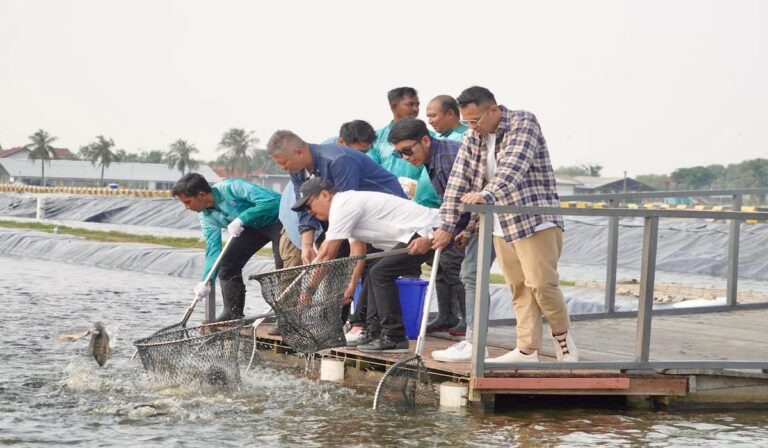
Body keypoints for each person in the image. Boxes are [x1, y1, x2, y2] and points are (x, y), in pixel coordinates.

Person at [431, 86, 578, 364]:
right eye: (466, 122)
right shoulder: (474, 138)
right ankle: (526, 350)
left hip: (534, 219)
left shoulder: (524, 123)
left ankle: (563, 340)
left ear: (494, 111)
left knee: (542, 285)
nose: (472, 127)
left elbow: (512, 168)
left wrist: (485, 195)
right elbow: (458, 180)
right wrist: (447, 225)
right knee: (519, 288)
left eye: (475, 120)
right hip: (498, 223)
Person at [267, 130, 409, 335]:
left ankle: (368, 327)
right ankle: (334, 323)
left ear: (298, 152)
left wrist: (309, 289)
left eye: (283, 162)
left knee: (370, 266)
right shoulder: (297, 170)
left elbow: (345, 206)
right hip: (354, 218)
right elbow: (305, 208)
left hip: (383, 215)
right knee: (336, 264)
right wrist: (306, 245)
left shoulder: (338, 161)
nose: (281, 167)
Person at [294, 177, 441, 353]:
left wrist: (308, 292)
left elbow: (326, 254)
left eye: (309, 205)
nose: (309, 211)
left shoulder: (342, 205)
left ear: (325, 195)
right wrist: (351, 285)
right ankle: (373, 332)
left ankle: (394, 337)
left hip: (428, 230)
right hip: (411, 234)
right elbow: (358, 252)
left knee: (380, 273)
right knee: (375, 271)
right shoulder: (344, 208)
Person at [388, 117, 467, 335]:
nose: (405, 158)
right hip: (448, 217)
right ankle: (446, 316)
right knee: (441, 267)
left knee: (460, 271)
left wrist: (447, 231)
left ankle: (469, 323)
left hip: (471, 219)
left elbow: (461, 203)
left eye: (407, 150)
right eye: (399, 154)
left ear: (425, 140)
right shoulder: (431, 159)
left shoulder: (448, 159)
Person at [172, 173, 283, 322]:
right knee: (227, 263)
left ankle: (286, 317)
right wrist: (206, 281)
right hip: (251, 228)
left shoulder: (232, 188)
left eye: (188, 202)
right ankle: (233, 313)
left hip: (279, 219)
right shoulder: (206, 217)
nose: (186, 207)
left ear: (201, 195)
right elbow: (213, 250)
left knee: (283, 266)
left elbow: (273, 201)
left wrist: (242, 218)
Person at [369, 87, 442, 208]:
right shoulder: (376, 139)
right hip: (385, 202)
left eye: (417, 105)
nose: (415, 109)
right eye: (410, 104)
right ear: (394, 107)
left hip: (421, 205)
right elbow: (371, 171)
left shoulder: (430, 138)